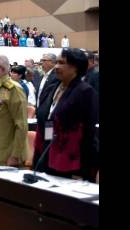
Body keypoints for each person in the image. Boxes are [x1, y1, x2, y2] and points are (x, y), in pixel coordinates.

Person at [33, 48, 99, 181]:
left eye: (62, 63)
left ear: (75, 67)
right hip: (46, 151)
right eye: (56, 62)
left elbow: (89, 132)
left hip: (71, 160)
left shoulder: (85, 92)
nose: (56, 66)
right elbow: (45, 119)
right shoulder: (52, 88)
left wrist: (84, 167)